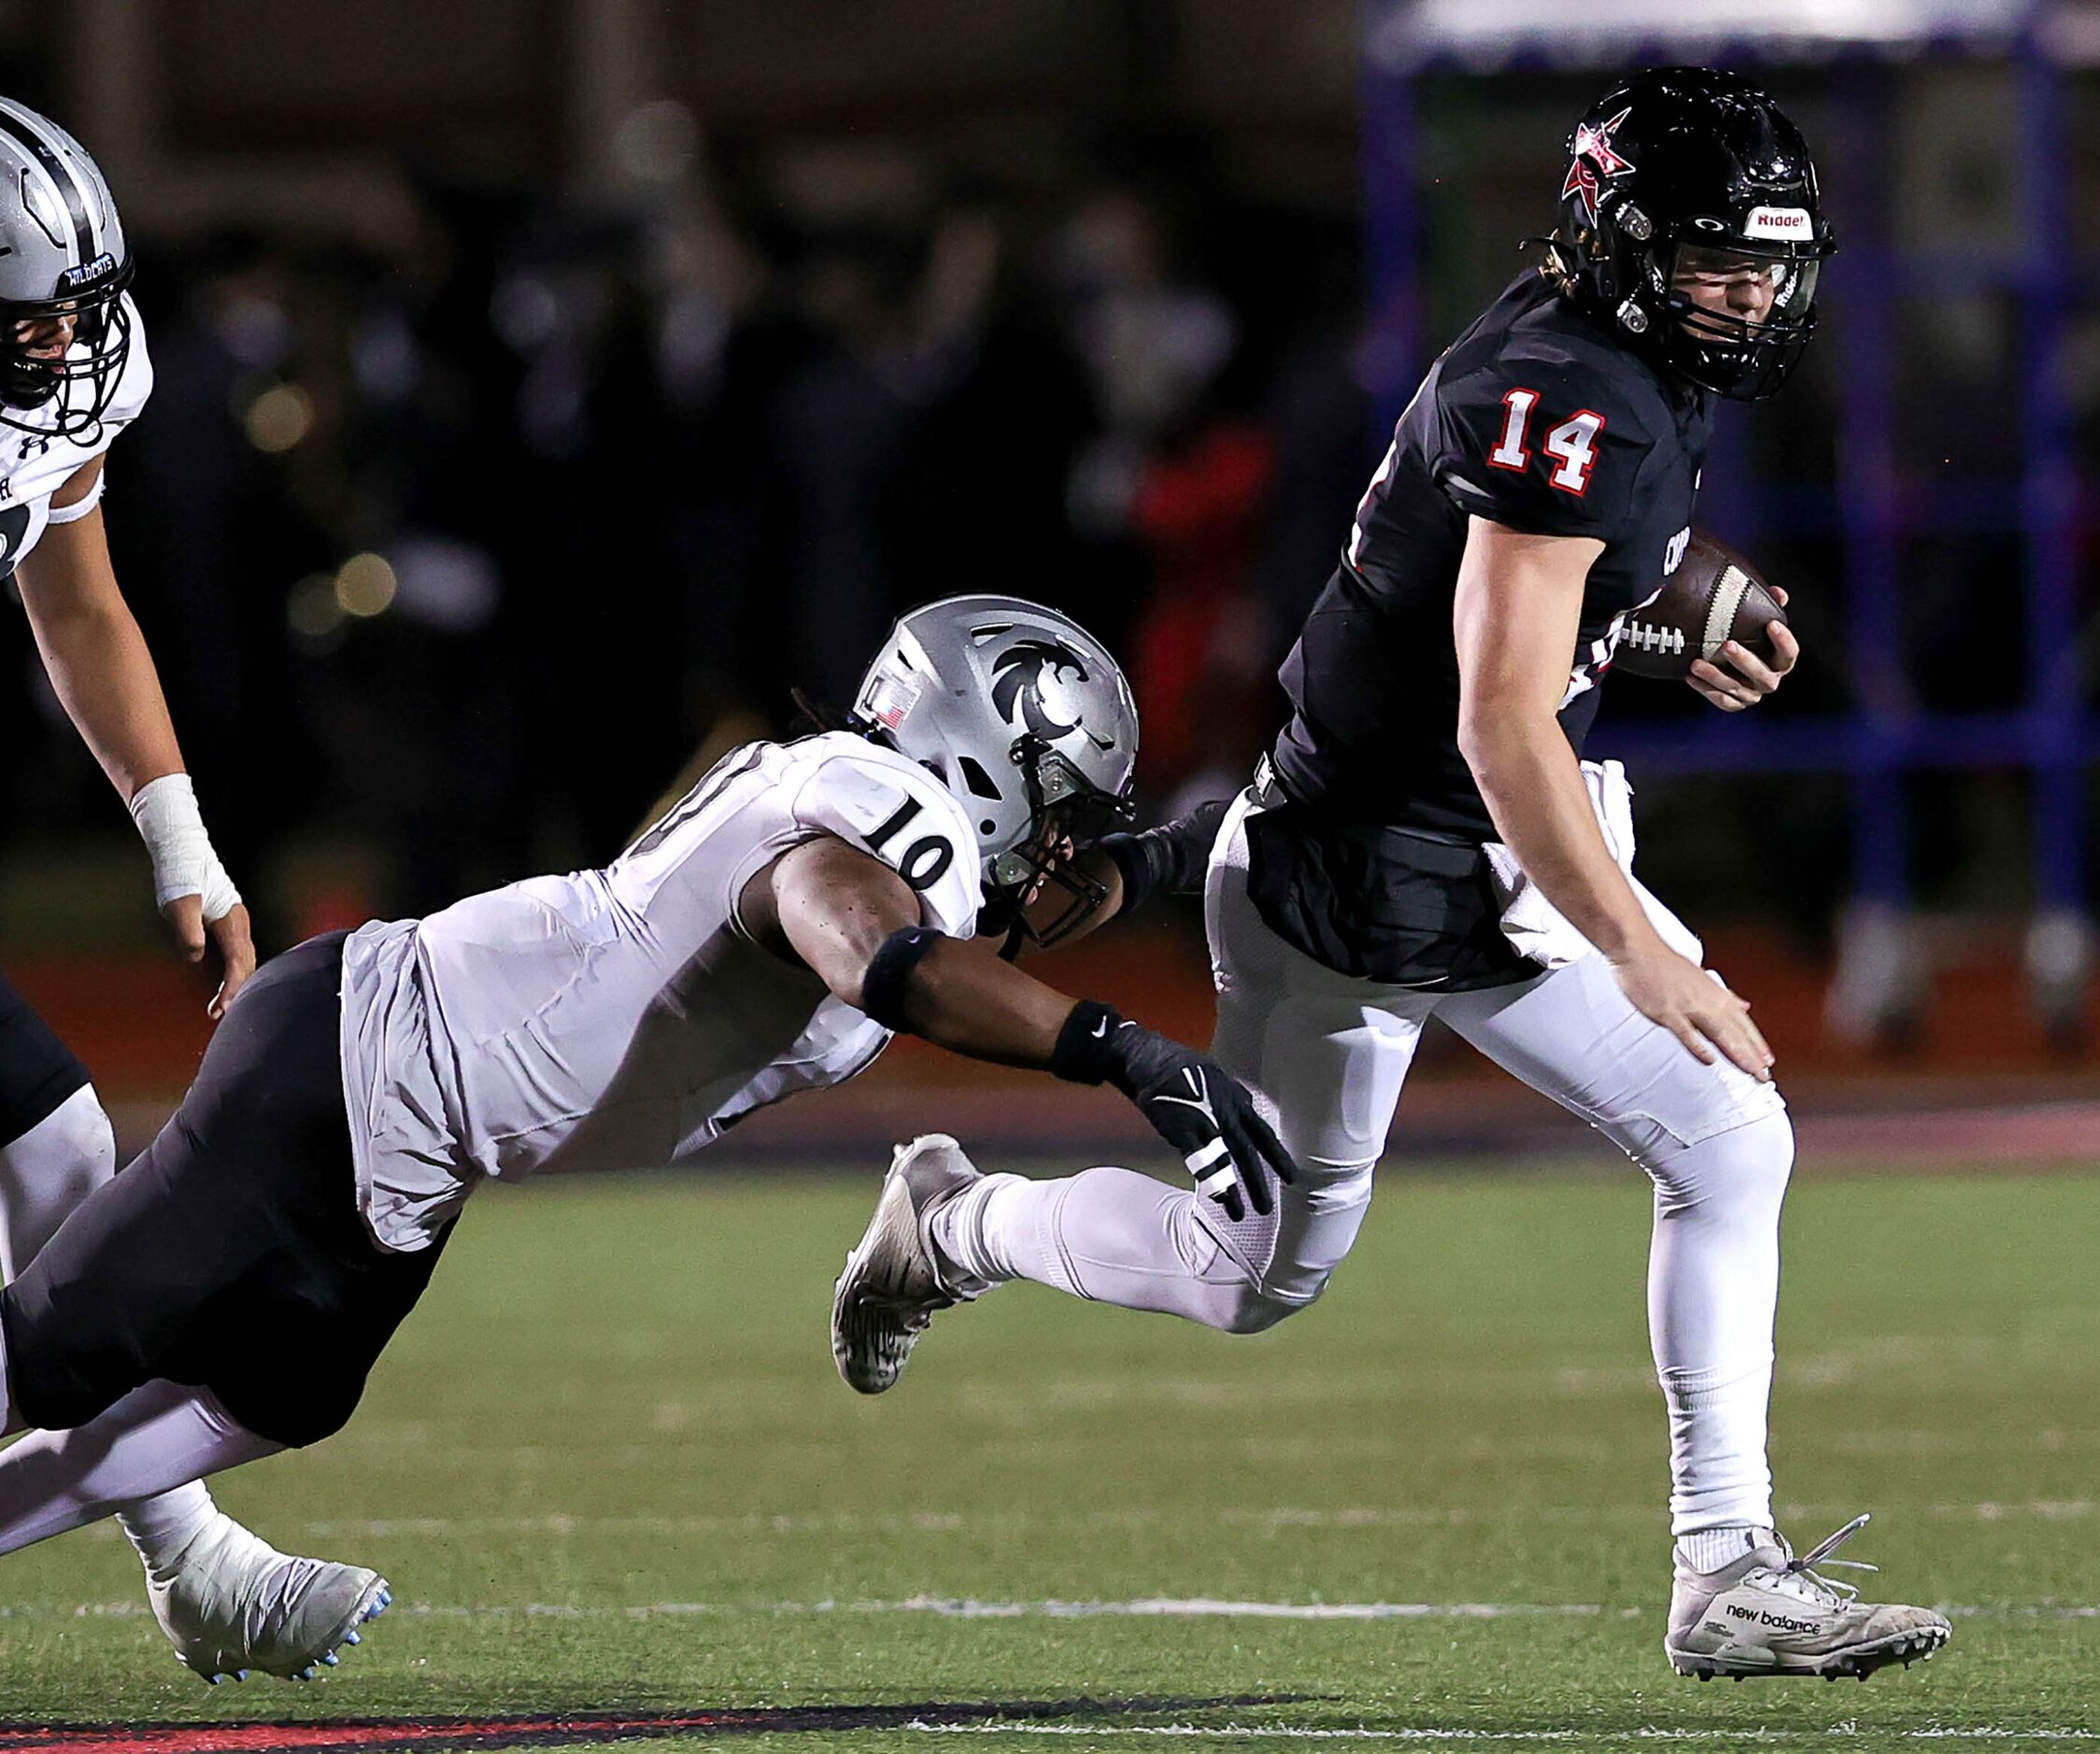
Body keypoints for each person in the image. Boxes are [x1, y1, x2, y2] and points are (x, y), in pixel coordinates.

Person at [830, 69, 1951, 1682]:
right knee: (1271, 1270)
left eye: (1771, 263)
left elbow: (1449, 613)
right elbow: (1500, 723)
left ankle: (1727, 1567)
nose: (1754, 294)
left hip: (1406, 835)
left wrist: (1636, 617)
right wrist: (1640, 949)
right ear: (1622, 240)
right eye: (1719, 259)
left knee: (1718, 1141)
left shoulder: (1590, 346)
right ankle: (961, 1221)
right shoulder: (1580, 393)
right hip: (1383, 872)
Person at [0, 596, 1297, 1676]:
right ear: (980, 749)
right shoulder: (878, 812)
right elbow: (875, 949)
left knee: (260, 1402)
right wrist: (1129, 1052)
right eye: (1060, 798)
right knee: (49, 1351)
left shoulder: (865, 791)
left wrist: (1177, 865)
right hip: (342, 1074)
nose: (1064, 842)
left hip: (412, 1147)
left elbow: (979, 932)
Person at [0, 95, 388, 1685]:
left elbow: (78, 602)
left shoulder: (50, 387)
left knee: (55, 1152)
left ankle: (195, 1559)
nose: (70, 351)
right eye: (36, 322)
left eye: (79, 313)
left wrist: (181, 844)